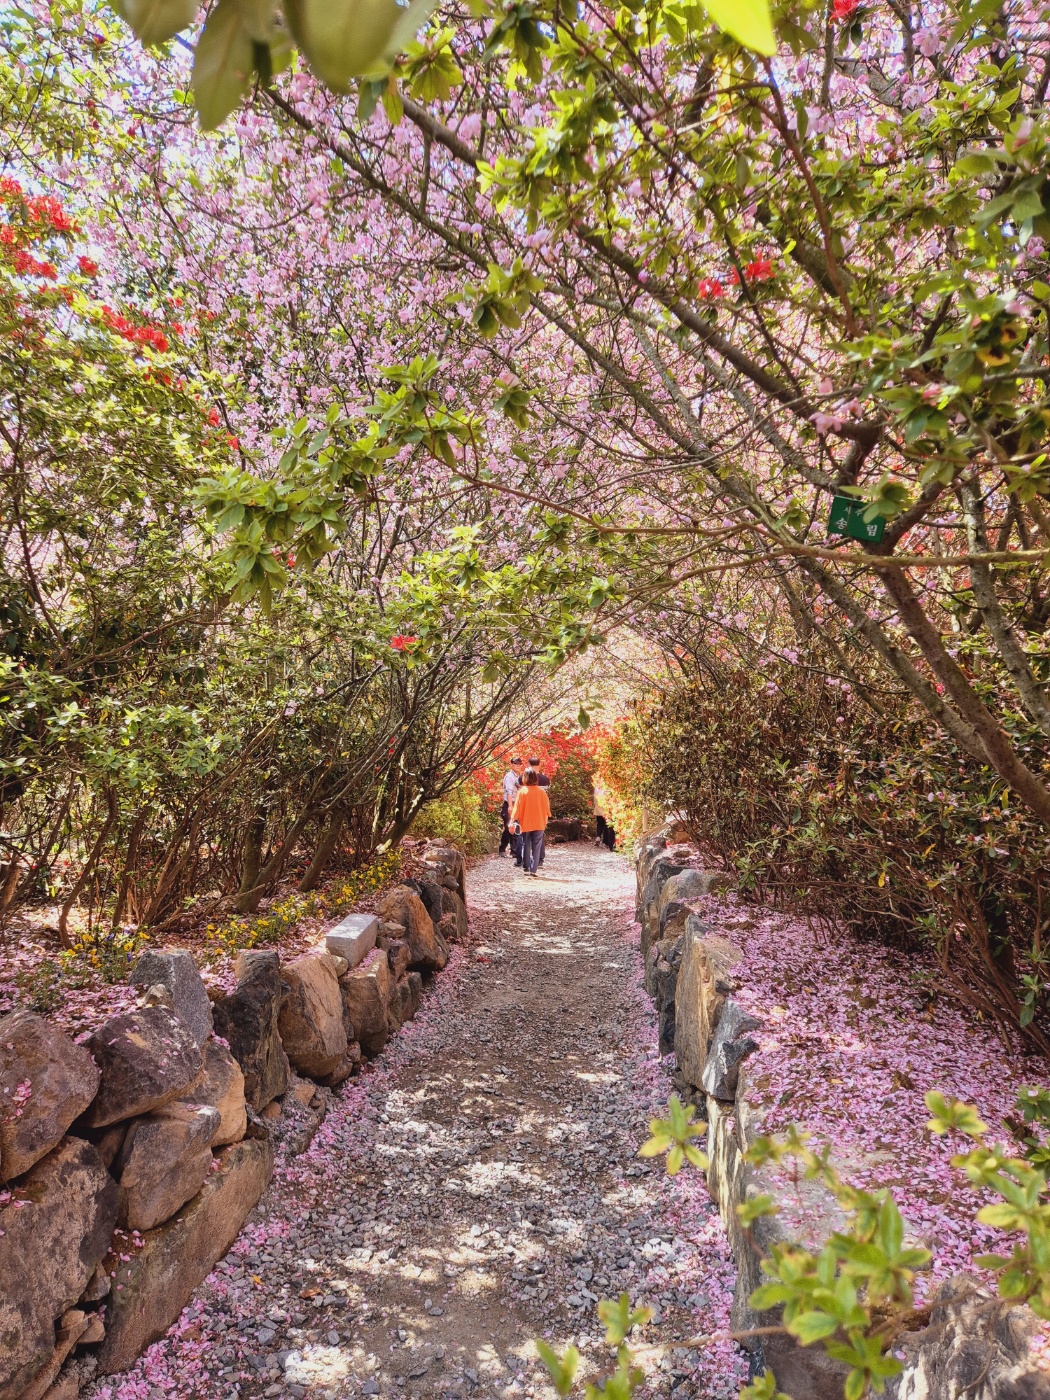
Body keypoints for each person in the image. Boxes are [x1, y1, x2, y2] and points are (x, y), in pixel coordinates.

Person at [511, 769, 550, 877]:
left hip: (526, 822)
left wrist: (512, 821)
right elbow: (547, 808)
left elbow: (517, 808)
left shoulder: (522, 792)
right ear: (535, 778)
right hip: (539, 822)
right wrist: (546, 818)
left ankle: (526, 867)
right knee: (537, 846)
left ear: (525, 778)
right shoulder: (542, 792)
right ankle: (533, 870)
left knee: (526, 844)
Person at [500, 756, 524, 863]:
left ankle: (514, 851)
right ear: (511, 765)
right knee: (508, 826)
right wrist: (510, 806)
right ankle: (502, 849)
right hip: (510, 804)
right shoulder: (509, 776)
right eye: (515, 764)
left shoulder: (519, 776)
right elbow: (509, 792)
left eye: (519, 764)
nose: (517, 766)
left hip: (517, 803)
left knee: (515, 826)